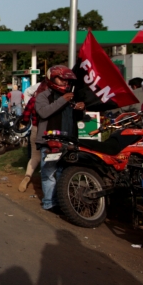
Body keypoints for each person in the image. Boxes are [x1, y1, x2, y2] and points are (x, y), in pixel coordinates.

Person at [35, 65, 85, 212]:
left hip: (68, 141)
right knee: (49, 173)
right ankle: (49, 202)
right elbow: (43, 113)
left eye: (66, 80)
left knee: (64, 173)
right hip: (50, 141)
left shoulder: (70, 96)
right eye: (61, 79)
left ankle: (63, 203)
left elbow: (76, 119)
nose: (64, 82)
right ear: (52, 78)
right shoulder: (43, 96)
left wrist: (81, 109)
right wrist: (63, 100)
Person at [18, 94, 39, 192]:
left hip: (35, 128)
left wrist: (25, 122)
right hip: (51, 130)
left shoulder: (33, 100)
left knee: (34, 156)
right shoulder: (55, 99)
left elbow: (26, 116)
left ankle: (27, 176)